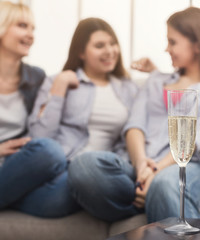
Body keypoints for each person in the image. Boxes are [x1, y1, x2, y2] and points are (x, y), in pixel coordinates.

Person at [67, 6, 200, 223]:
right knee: (83, 166)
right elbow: (135, 125)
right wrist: (142, 165)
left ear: (198, 44)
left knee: (165, 184)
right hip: (138, 168)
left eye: (172, 42)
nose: (166, 49)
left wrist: (157, 170)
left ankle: (153, 196)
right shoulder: (156, 81)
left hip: (185, 168)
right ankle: (148, 199)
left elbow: (197, 137)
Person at [0, 1, 75, 230]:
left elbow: (44, 132)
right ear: (0, 30)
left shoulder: (37, 77)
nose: (30, 35)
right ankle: (2, 194)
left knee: (51, 155)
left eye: (33, 29)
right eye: (23, 26)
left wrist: (59, 85)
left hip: (20, 164)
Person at [28, 17, 138, 216]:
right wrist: (60, 88)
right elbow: (40, 138)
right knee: (59, 196)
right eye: (99, 45)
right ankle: (126, 210)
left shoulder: (129, 88)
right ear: (81, 52)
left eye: (113, 44)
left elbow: (138, 132)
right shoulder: (56, 81)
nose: (109, 51)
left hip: (110, 167)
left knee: (87, 172)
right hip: (68, 167)